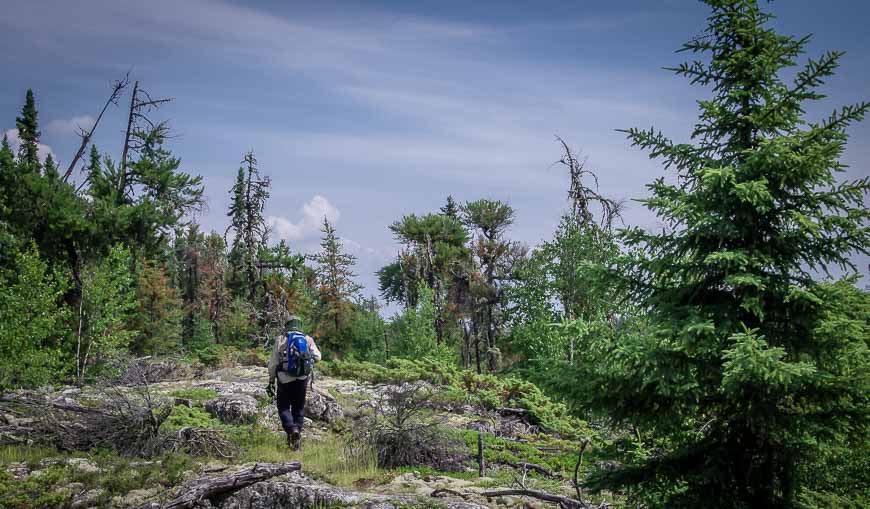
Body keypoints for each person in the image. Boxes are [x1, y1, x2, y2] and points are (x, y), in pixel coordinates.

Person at [266, 315, 321, 450]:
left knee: (284, 407)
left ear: (287, 325)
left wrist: (271, 380)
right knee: (299, 408)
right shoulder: (307, 339)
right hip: (302, 379)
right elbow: (318, 357)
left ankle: (292, 430)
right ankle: (296, 440)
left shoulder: (281, 339)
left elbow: (273, 363)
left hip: (284, 378)